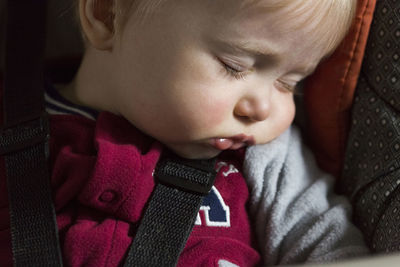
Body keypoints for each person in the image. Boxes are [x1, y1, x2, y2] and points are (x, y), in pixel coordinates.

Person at [0, 0, 369, 266]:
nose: (263, 109)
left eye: (291, 83)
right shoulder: (17, 128)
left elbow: (325, 240)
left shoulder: (265, 154)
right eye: (234, 65)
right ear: (107, 14)